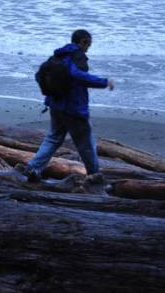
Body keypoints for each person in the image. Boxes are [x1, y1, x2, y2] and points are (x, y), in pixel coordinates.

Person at [22, 29, 114, 183]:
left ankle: (33, 168)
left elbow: (38, 75)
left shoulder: (58, 55)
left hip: (55, 105)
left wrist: (54, 94)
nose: (89, 47)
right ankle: (94, 175)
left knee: (53, 139)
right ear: (83, 41)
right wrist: (104, 82)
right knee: (86, 143)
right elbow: (77, 75)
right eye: (89, 44)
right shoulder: (77, 56)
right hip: (74, 109)